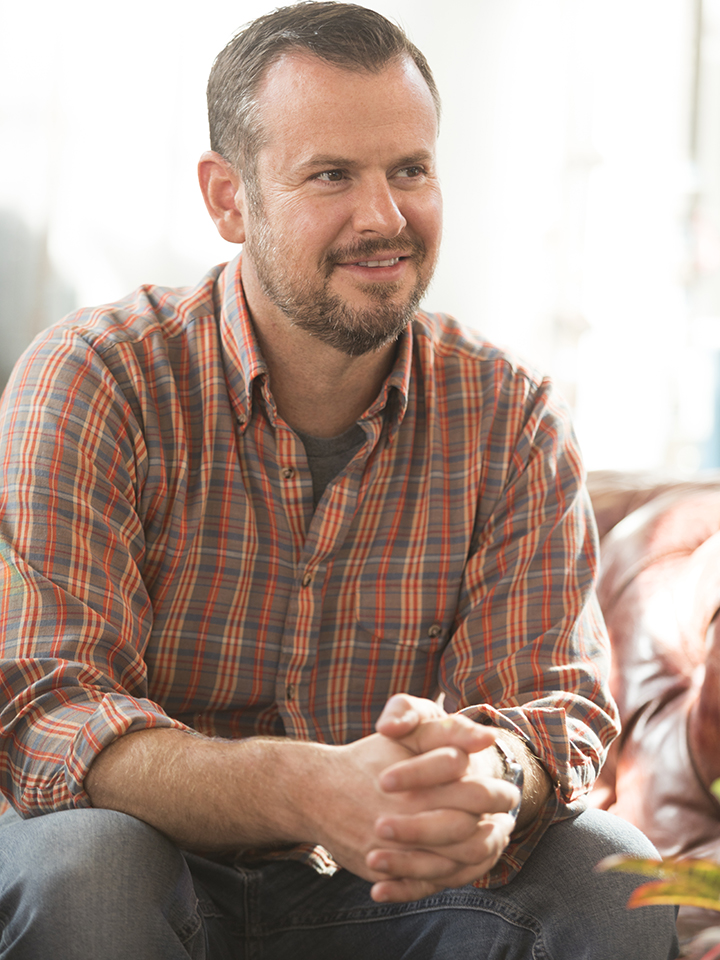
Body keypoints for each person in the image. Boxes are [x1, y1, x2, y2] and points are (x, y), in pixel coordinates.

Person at [0, 3, 678, 958]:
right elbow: (50, 709)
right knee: (87, 866)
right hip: (149, 867)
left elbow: (550, 705)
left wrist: (488, 775)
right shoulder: (96, 378)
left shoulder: (511, 416)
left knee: (611, 874)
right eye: (331, 176)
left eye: (411, 169)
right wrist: (303, 784)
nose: (385, 218)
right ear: (229, 198)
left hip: (387, 887)